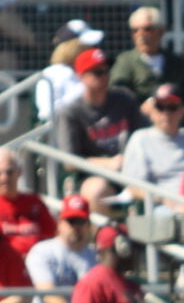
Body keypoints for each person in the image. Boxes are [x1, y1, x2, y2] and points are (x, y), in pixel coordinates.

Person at [56, 47, 144, 214]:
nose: (105, 77)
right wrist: (108, 163)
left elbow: (141, 135)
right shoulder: (71, 112)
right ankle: (105, 238)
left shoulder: (124, 99)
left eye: (106, 71)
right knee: (97, 191)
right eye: (98, 72)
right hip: (93, 175)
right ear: (81, 76)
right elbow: (69, 161)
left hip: (131, 170)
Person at [121, 83, 184, 207]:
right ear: (151, 110)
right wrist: (162, 199)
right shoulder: (141, 139)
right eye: (160, 107)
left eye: (172, 107)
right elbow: (133, 188)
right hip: (160, 207)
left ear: (182, 110)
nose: (166, 113)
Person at [110, 6, 184, 114]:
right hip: (140, 122)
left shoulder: (176, 61)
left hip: (176, 122)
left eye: (147, 29)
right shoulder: (125, 61)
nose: (141, 35)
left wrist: (178, 112)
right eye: (135, 31)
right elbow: (117, 97)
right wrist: (140, 110)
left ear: (161, 31)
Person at [0, 147, 56, 257]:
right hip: (1, 264)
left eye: (9, 172)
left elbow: (51, 235)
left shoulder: (34, 202)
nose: (4, 178)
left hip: (36, 262)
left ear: (19, 172)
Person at [25, 195, 97, 303]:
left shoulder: (96, 256)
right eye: (71, 221)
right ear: (60, 222)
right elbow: (47, 293)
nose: (76, 227)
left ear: (88, 225)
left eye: (81, 222)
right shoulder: (42, 251)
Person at [35, 20, 105, 123]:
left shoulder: (92, 71)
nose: (92, 49)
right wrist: (85, 90)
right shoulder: (51, 74)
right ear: (70, 47)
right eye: (86, 45)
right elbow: (47, 113)